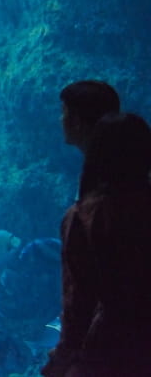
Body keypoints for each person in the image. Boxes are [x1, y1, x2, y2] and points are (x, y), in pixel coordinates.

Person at [43, 81, 151, 375]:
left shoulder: (87, 217)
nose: (60, 119)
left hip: (109, 348)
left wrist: (65, 356)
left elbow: (78, 298)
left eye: (64, 112)